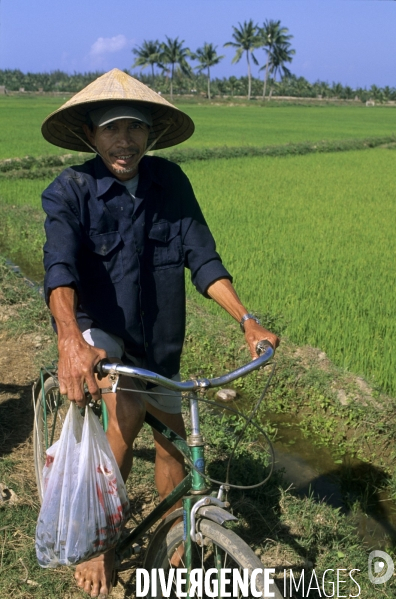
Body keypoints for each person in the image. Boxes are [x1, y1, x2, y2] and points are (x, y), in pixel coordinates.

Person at [41, 68, 279, 599]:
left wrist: (247, 320)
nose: (123, 140)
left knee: (174, 438)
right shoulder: (70, 191)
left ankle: (177, 534)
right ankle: (103, 544)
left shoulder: (170, 183)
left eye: (135, 128)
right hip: (100, 333)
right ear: (90, 135)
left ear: (151, 135)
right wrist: (69, 342)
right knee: (123, 413)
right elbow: (59, 270)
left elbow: (204, 259)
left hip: (161, 342)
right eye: (111, 129)